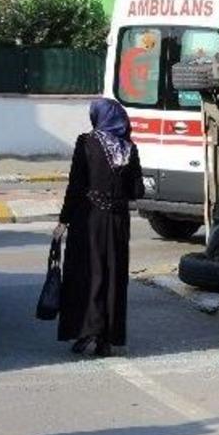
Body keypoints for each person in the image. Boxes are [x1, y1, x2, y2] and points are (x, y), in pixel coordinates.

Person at [53, 99, 144, 357]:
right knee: (113, 275)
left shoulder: (87, 142)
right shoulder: (129, 148)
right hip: (117, 222)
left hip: (88, 219)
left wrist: (64, 220)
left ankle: (85, 331)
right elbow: (137, 190)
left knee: (87, 273)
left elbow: (76, 185)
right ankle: (107, 338)